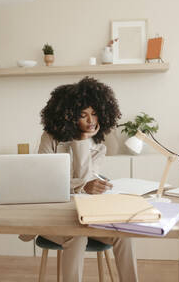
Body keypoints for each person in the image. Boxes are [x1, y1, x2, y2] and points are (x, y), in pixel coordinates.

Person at [38, 76, 138, 282]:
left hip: (87, 215)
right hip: (53, 215)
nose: (91, 121)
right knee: (77, 236)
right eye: (83, 115)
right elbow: (47, 183)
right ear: (68, 116)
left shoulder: (99, 146)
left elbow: (84, 183)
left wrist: (79, 184)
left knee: (123, 235)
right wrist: (81, 143)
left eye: (94, 114)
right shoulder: (49, 139)